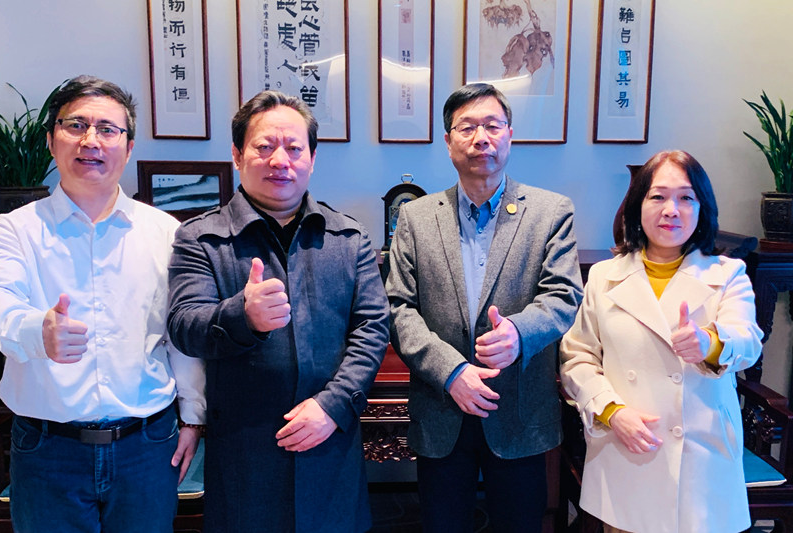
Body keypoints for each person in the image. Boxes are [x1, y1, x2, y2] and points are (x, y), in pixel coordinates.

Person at [166, 90, 389, 533]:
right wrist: (242, 316)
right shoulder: (201, 238)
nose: (280, 160)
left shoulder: (349, 238)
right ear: (237, 155)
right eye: (264, 146)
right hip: (244, 450)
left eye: (294, 148)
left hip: (329, 440)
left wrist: (333, 406)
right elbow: (184, 325)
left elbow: (372, 329)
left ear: (312, 158)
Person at [0, 75, 206, 532]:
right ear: (51, 140)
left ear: (128, 148)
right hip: (48, 449)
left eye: (108, 129)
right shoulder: (13, 230)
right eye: (76, 125)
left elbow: (180, 337)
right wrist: (38, 331)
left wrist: (193, 419)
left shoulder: (165, 233)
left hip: (147, 445)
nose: (91, 140)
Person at [385, 82, 583, 532]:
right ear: (448, 140)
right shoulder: (416, 217)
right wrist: (451, 371)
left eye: (493, 126)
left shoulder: (551, 212)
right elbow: (398, 308)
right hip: (442, 407)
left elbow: (564, 295)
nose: (481, 138)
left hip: (518, 409)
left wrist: (518, 333)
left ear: (509, 134)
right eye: (467, 127)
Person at [560, 150, 763, 533]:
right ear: (638, 206)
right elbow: (577, 357)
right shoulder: (604, 276)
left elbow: (748, 341)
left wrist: (709, 344)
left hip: (702, 464)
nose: (671, 210)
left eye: (685, 197)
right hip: (628, 453)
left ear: (702, 207)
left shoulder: (728, 274)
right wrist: (611, 411)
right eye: (658, 197)